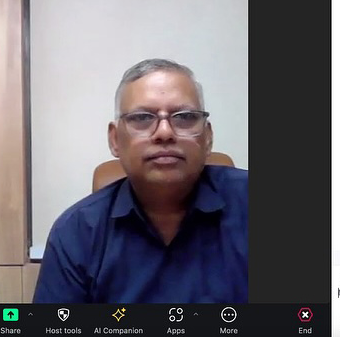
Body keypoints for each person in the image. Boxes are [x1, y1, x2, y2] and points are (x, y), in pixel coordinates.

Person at [33, 59, 248, 303]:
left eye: (185, 116)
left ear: (207, 137)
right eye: (143, 117)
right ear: (115, 139)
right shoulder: (76, 232)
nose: (165, 133)